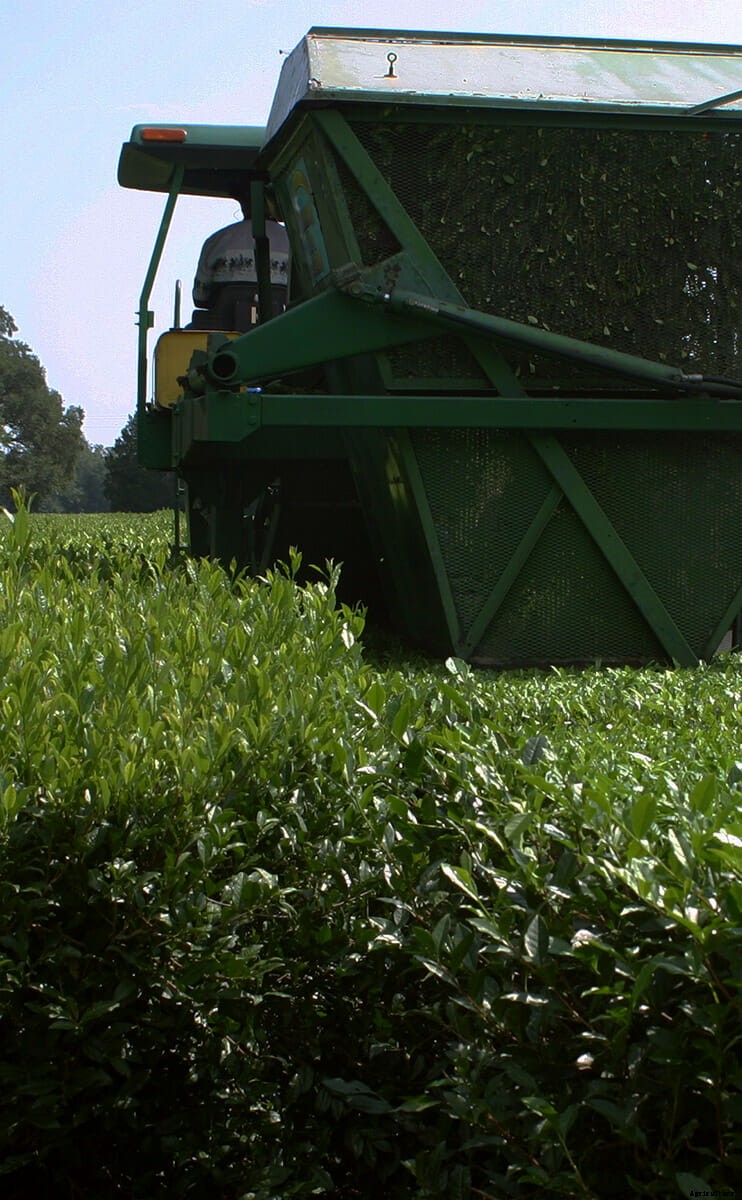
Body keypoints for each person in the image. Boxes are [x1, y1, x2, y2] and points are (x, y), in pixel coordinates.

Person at [191, 194, 290, 327]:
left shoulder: (218, 240)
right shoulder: (294, 240)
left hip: (223, 327)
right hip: (284, 325)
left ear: (244, 207)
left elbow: (200, 297)